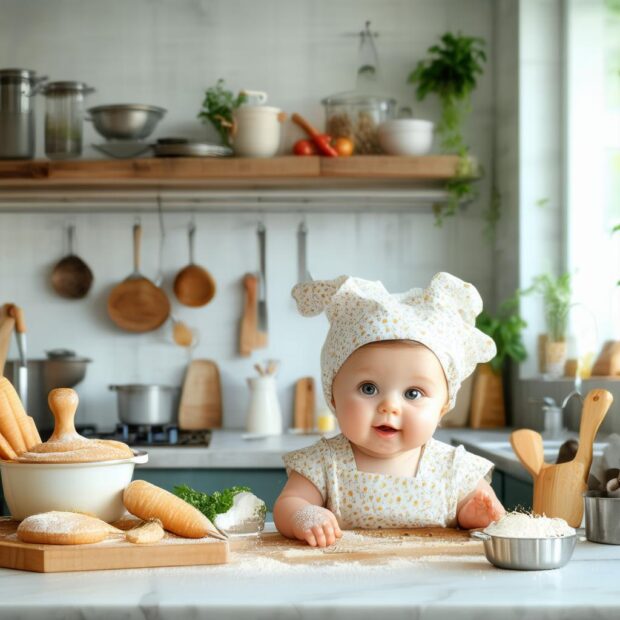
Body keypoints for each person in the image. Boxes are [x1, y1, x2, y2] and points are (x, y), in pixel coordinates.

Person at [273, 272, 506, 547]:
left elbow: (488, 514)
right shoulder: (324, 464)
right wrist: (304, 515)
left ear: (443, 407)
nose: (389, 407)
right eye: (368, 388)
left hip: (431, 582)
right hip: (345, 581)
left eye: (413, 393)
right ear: (333, 396)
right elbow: (288, 504)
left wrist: (474, 514)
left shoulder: (454, 469)